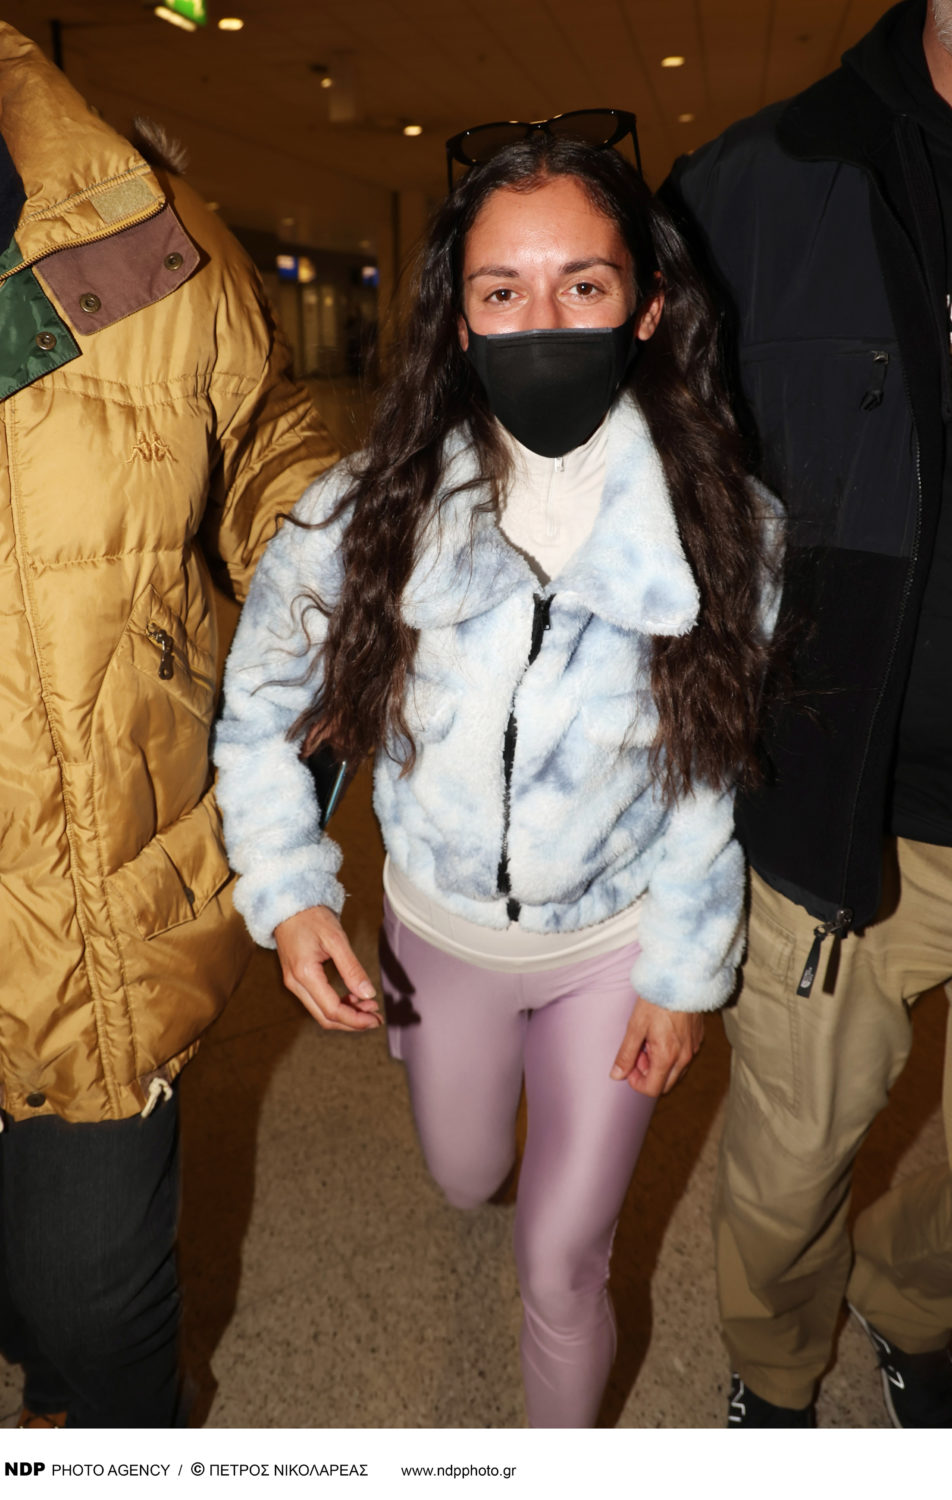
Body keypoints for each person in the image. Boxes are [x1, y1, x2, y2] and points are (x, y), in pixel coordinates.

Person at [214, 112, 781, 1429]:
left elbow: (712, 775)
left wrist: (685, 972)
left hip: (612, 945)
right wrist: (290, 890)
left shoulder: (729, 533)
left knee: (563, 1265)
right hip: (438, 934)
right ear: (459, 323)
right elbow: (258, 711)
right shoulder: (363, 512)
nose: (543, 320)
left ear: (647, 307)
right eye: (502, 290)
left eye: (583, 285)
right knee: (467, 1176)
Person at [0, 23, 337, 1427]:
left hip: (92, 881)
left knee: (93, 1300)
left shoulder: (143, 227)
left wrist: (319, 537)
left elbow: (260, 428)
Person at [665, 0, 952, 1430]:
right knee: (788, 1173)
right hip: (846, 805)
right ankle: (776, 1377)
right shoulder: (753, 190)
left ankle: (917, 1303)